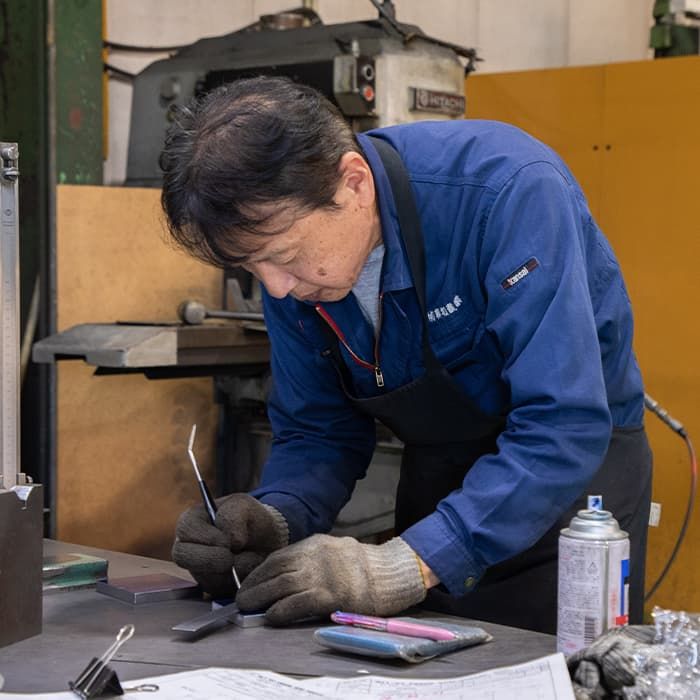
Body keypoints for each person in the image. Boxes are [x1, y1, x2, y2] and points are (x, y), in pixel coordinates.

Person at [160, 76, 652, 634]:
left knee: (561, 669)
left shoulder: (507, 190)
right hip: (440, 479)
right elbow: (317, 430)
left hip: (571, 493)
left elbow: (563, 422)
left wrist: (408, 564)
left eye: (284, 255)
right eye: (252, 267)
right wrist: (276, 517)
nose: (276, 287)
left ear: (354, 183)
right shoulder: (292, 271)